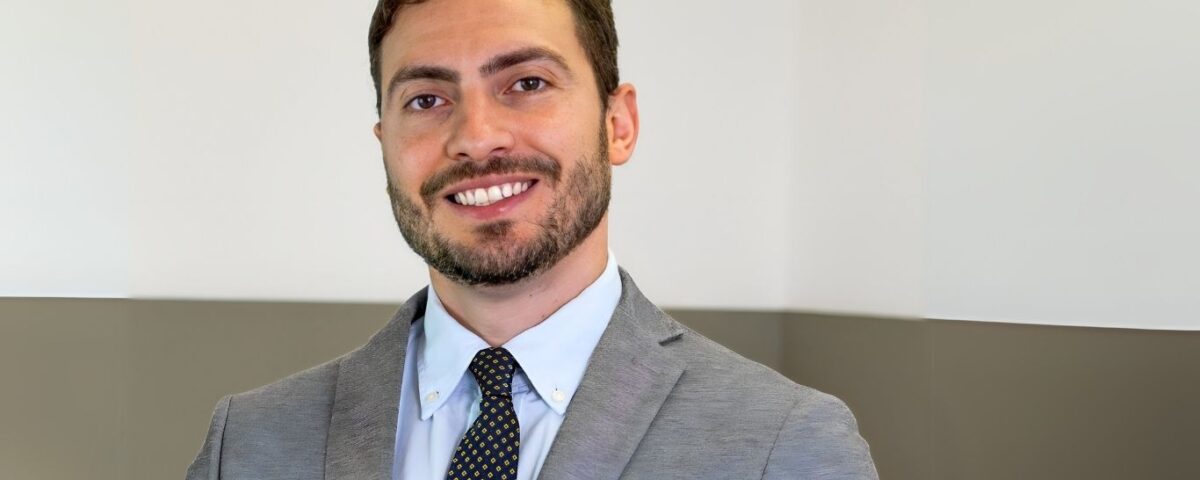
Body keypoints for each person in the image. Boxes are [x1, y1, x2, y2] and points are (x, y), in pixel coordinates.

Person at [186, 0, 879, 478]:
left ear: (618, 125)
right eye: (426, 99)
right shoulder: (246, 443)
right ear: (385, 144)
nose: (476, 137)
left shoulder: (784, 443)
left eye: (526, 82)